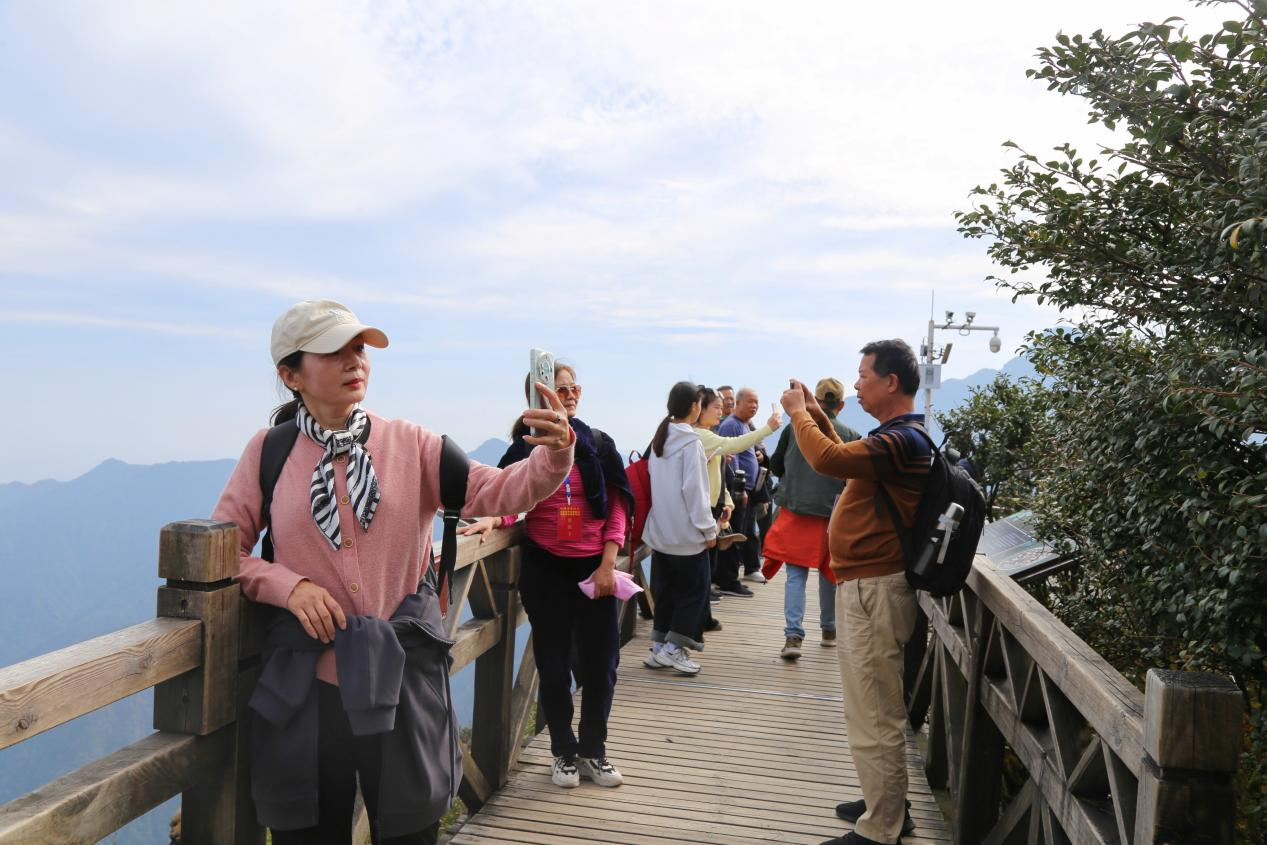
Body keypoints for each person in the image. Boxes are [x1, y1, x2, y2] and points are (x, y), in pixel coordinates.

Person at [212, 300, 575, 845]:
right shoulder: (269, 453)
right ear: (290, 374)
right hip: (310, 687)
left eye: (358, 348)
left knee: (411, 830)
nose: (354, 360)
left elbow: (498, 491)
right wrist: (288, 587)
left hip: (402, 677)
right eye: (333, 351)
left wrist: (553, 455)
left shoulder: (414, 444)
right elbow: (224, 553)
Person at [780, 341, 930, 845]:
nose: (859, 382)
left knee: (875, 709)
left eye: (865, 374)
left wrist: (800, 415)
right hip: (868, 586)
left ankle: (882, 827)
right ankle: (887, 803)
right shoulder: (897, 437)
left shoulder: (901, 441)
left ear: (891, 382)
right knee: (871, 704)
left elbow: (826, 460)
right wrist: (819, 413)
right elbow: (842, 454)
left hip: (875, 590)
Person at [459, 364, 632, 791]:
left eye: (573, 388)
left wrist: (609, 563)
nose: (569, 395)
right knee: (553, 667)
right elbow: (505, 493)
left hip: (595, 566)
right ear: (539, 398)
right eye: (559, 390)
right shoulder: (525, 446)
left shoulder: (599, 444)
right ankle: (564, 752)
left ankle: (594, 749)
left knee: (601, 665)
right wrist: (491, 520)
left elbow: (618, 505)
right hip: (546, 566)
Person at [762, 378, 860, 660]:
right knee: (829, 574)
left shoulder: (795, 429)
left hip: (796, 510)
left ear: (812, 402)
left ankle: (793, 636)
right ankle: (829, 631)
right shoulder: (851, 433)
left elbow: (777, 464)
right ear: (841, 405)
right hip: (833, 514)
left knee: (795, 576)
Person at [641, 381, 718, 675]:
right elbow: (696, 493)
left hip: (661, 533)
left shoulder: (660, 440)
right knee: (694, 594)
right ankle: (675, 650)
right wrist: (709, 531)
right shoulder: (691, 444)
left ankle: (659, 648)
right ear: (694, 407)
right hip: (687, 536)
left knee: (668, 593)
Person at [694, 387, 781, 598]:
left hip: (721, 499)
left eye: (756, 402)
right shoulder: (715, 430)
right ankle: (723, 582)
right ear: (699, 409)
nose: (722, 410)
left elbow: (724, 460)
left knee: (733, 536)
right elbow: (732, 446)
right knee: (724, 541)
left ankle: (711, 589)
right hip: (714, 501)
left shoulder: (731, 427)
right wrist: (768, 428)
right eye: (717, 406)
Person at [717, 387, 767, 586]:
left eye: (756, 402)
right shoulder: (731, 425)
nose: (754, 406)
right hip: (738, 489)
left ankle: (744, 571)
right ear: (738, 403)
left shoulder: (745, 425)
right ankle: (728, 579)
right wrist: (740, 487)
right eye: (750, 401)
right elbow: (732, 455)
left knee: (745, 529)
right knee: (735, 531)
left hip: (749, 487)